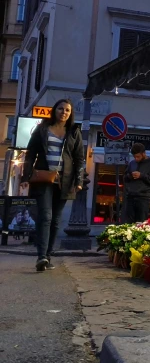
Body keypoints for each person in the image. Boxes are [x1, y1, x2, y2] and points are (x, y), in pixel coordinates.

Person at [23, 99, 85, 272]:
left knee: (56, 220)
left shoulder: (73, 132)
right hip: (43, 178)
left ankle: (47, 256)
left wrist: (78, 181)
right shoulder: (42, 129)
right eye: (60, 109)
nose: (63, 112)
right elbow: (30, 153)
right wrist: (26, 176)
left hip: (64, 181)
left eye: (67, 110)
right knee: (46, 216)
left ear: (70, 113)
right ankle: (41, 256)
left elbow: (79, 159)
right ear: (54, 110)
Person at [124, 143, 150, 223]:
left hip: (143, 198)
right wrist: (130, 176)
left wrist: (142, 176)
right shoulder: (132, 163)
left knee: (140, 223)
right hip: (130, 197)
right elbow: (125, 177)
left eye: (138, 157)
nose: (136, 159)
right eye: (134, 157)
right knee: (128, 223)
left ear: (144, 153)